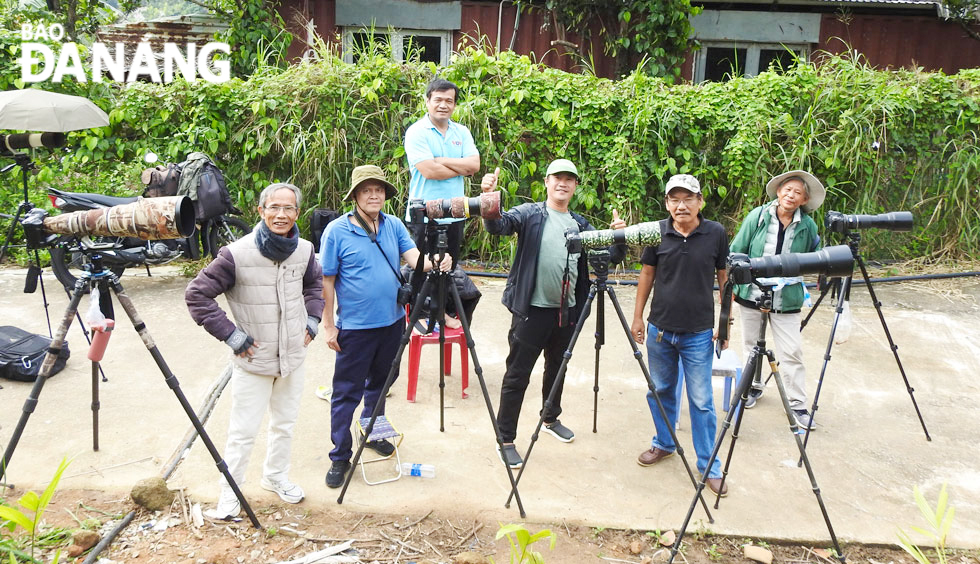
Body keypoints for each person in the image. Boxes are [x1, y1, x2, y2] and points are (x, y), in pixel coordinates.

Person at [185, 182, 323, 520]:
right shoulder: (236, 254)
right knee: (243, 432)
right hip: (253, 360)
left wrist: (312, 321)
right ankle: (230, 493)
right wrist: (232, 336)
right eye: (273, 207)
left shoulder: (304, 250)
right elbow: (197, 295)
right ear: (260, 211)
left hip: (292, 357)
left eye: (288, 208)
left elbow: (314, 285)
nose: (281, 214)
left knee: (285, 424)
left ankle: (275, 477)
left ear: (297, 213)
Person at [480, 159, 625, 469]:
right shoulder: (530, 214)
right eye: (558, 178)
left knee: (557, 367)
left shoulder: (581, 224)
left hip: (568, 312)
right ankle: (505, 438)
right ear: (546, 182)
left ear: (575, 186)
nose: (563, 183)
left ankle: (550, 418)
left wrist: (618, 237)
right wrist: (489, 201)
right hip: (531, 311)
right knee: (517, 374)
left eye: (569, 179)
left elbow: (608, 256)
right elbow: (498, 226)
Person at [320, 165, 452, 488]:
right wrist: (328, 325)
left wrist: (438, 262)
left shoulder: (393, 226)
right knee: (346, 393)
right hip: (354, 328)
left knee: (381, 384)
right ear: (355, 196)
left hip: (393, 323)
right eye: (367, 190)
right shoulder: (337, 231)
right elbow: (326, 280)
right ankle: (340, 455)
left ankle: (372, 429)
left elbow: (414, 260)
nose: (374, 195)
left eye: (379, 189)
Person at [630, 174, 730, 497]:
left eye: (688, 198)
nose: (681, 205)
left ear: (700, 201)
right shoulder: (657, 232)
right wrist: (638, 317)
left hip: (699, 334)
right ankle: (664, 443)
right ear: (667, 203)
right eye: (675, 199)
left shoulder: (715, 233)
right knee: (660, 390)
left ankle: (709, 466)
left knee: (702, 401)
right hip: (660, 331)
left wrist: (725, 323)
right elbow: (647, 274)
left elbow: (724, 278)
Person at [729, 170, 825, 430]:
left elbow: (813, 258)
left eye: (797, 193)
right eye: (787, 189)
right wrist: (735, 281)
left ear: (804, 200)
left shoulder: (808, 225)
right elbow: (737, 250)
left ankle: (797, 406)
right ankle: (752, 388)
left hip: (788, 298)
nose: (790, 195)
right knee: (751, 346)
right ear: (779, 191)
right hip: (752, 293)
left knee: (791, 351)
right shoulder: (757, 217)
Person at [404, 77, 480, 328]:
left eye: (449, 100)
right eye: (437, 99)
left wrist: (441, 159)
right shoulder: (416, 131)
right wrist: (458, 166)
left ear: (455, 105)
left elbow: (474, 166)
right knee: (422, 268)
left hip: (455, 212)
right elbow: (429, 171)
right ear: (427, 101)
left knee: (448, 267)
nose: (443, 105)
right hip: (423, 213)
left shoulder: (462, 132)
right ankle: (417, 313)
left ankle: (441, 313)